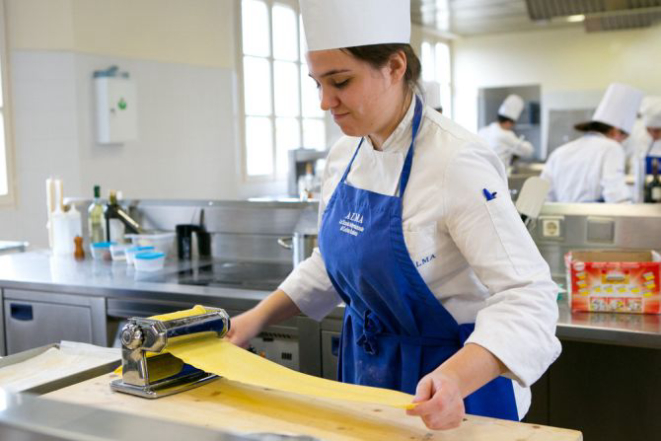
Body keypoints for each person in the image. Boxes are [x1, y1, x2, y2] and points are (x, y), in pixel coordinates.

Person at [227, 0, 560, 430]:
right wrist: (254, 320)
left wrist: (455, 379)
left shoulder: (455, 161)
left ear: (395, 66)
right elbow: (333, 265)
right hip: (368, 373)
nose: (326, 102)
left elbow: (529, 295)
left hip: (452, 388)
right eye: (317, 84)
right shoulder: (344, 155)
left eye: (341, 81)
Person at [541, 83, 643, 203]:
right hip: (594, 219)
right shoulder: (612, 148)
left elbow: (543, 194)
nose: (621, 142)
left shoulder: (560, 151)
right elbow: (615, 194)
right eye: (623, 137)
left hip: (560, 219)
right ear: (615, 131)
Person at [477, 94, 534, 169]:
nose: (512, 127)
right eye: (512, 124)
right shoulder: (505, 135)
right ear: (508, 122)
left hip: (481, 170)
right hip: (496, 174)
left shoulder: (483, 131)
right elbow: (528, 151)